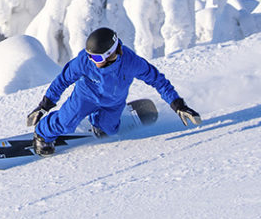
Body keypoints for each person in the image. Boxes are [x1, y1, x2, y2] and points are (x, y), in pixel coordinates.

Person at [27, 27, 201, 156]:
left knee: (108, 130)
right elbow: (62, 80)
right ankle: (42, 133)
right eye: (89, 55)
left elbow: (158, 80)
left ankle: (98, 122)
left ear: (110, 54)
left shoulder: (131, 63)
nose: (91, 60)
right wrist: (44, 105)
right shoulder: (84, 61)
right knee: (65, 123)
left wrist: (178, 105)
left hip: (113, 102)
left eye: (95, 57)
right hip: (85, 97)